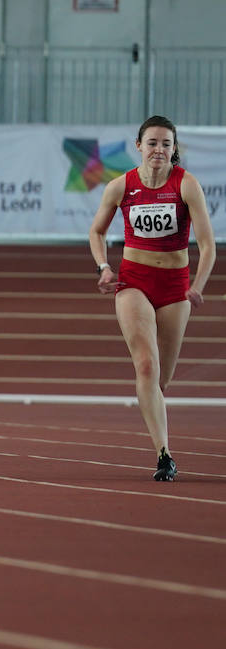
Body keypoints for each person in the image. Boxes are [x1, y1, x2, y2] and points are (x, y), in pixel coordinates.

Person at [89, 116, 215, 482]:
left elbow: (208, 246)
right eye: (152, 142)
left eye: (166, 143)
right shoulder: (120, 186)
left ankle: (153, 411)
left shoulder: (186, 185)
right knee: (146, 365)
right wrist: (104, 268)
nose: (159, 149)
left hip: (176, 286)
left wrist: (198, 285)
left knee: (161, 381)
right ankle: (164, 453)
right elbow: (97, 231)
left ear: (174, 149)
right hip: (134, 281)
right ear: (139, 145)